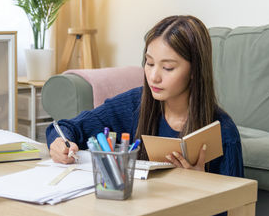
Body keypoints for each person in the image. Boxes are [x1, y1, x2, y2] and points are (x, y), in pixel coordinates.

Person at [46, 15, 244, 178]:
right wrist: (59, 144)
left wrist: (203, 187)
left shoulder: (223, 132)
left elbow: (237, 207)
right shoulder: (135, 104)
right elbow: (66, 127)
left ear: (195, 71)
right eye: (149, 63)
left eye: (168, 68)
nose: (153, 77)